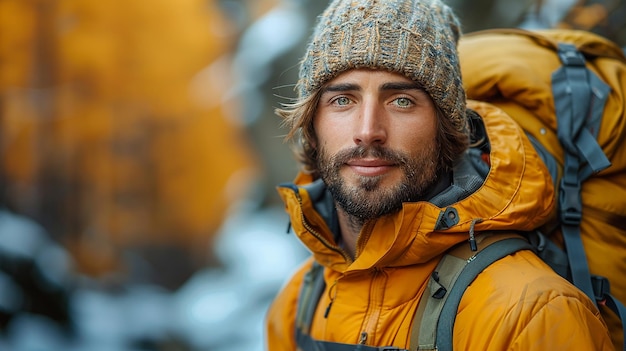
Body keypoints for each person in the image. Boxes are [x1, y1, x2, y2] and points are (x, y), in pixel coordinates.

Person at [265, 0, 614, 350]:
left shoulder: (530, 316)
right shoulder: (297, 305)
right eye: (342, 99)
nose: (368, 130)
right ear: (311, 124)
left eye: (401, 100)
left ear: (446, 129)